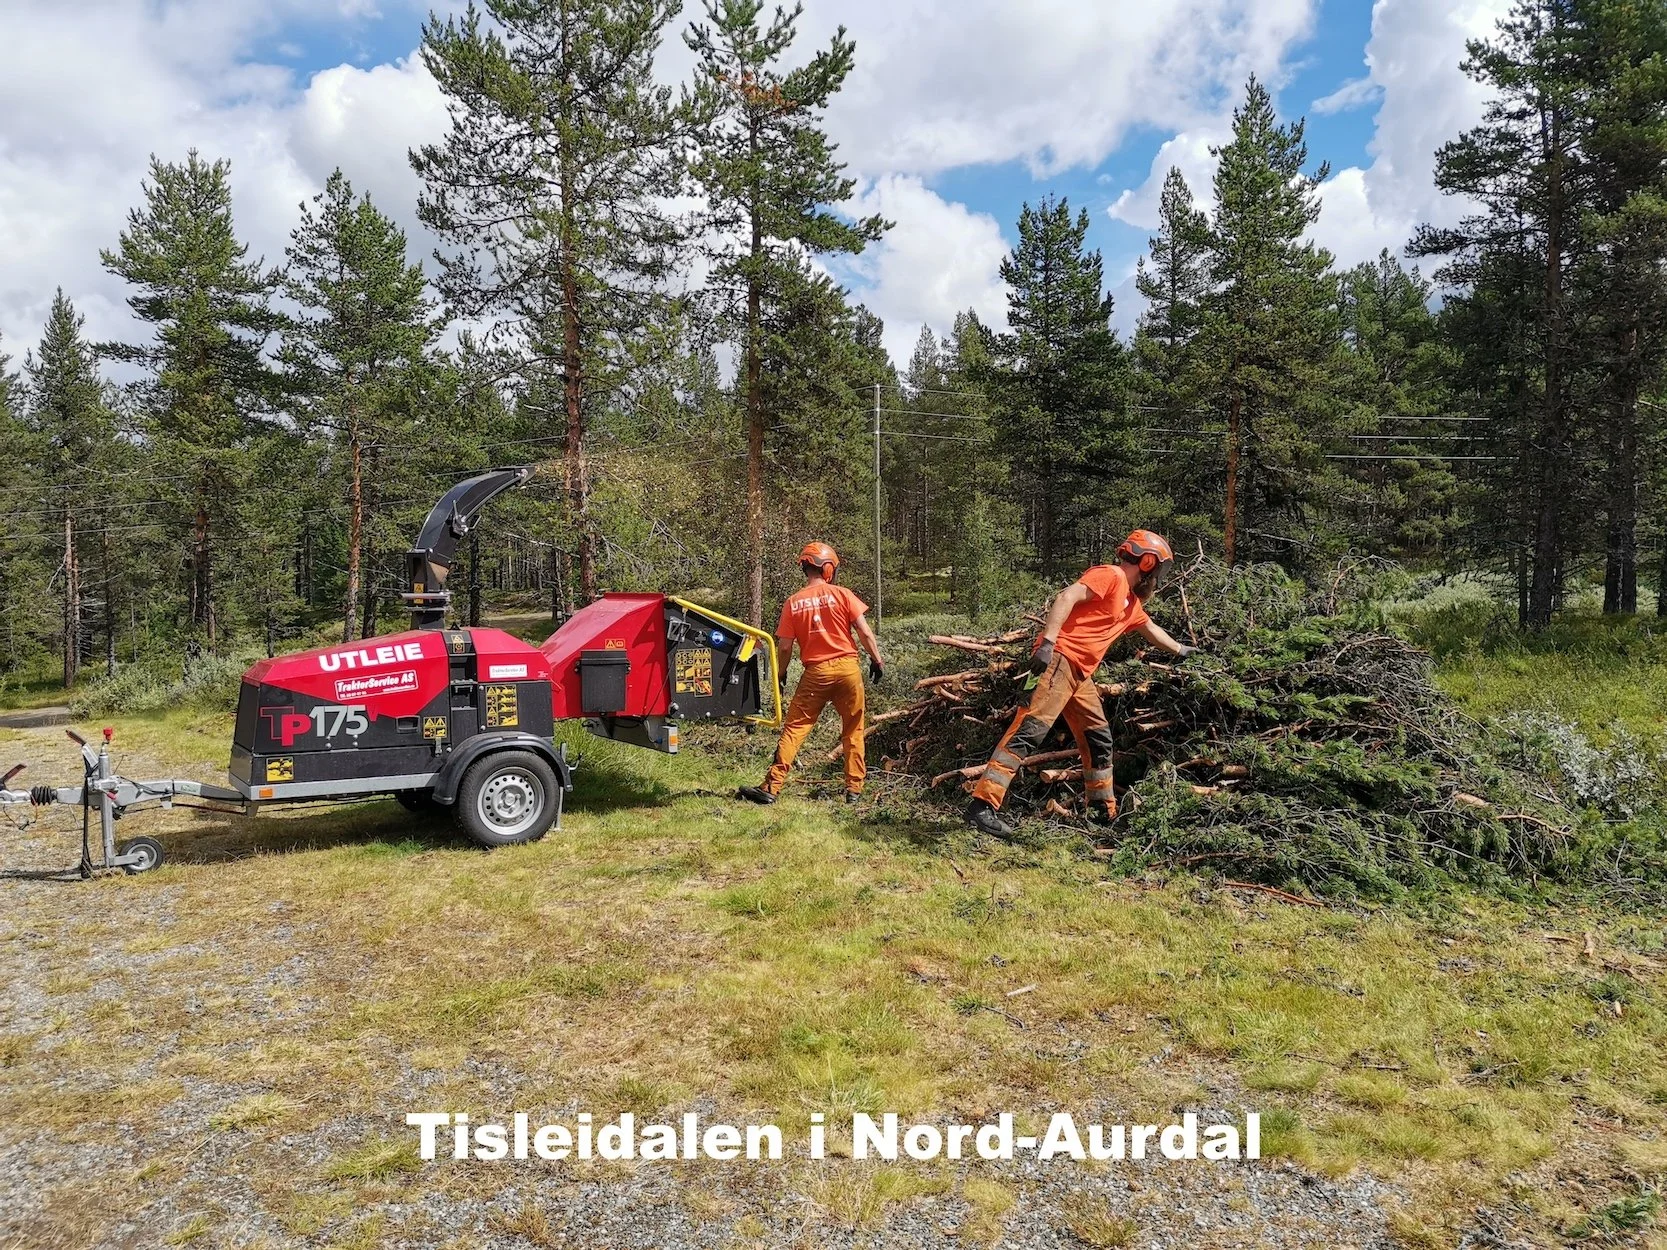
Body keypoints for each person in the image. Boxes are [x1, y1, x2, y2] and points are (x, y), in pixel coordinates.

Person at [965, 530, 1198, 837]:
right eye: (1157, 572)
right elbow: (1067, 596)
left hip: (1079, 675)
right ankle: (982, 806)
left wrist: (1182, 650)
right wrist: (1047, 644)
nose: (1156, 581)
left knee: (1098, 739)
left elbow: (1152, 630)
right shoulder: (1111, 576)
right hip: (1058, 660)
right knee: (1029, 730)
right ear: (1147, 563)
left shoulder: (1131, 605)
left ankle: (1101, 811)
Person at [738, 542, 885, 807]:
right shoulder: (843, 594)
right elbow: (864, 632)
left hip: (816, 674)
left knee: (795, 728)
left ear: (806, 568)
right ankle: (854, 788)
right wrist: (876, 660)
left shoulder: (793, 602)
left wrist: (781, 674)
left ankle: (772, 786)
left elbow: (785, 646)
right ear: (827, 568)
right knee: (853, 728)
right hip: (848, 670)